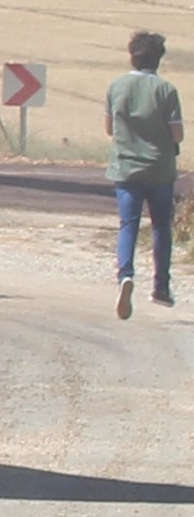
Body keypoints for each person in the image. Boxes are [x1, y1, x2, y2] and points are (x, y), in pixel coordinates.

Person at [108, 28, 182, 316]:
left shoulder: (116, 87)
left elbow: (108, 128)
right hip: (160, 169)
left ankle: (125, 274)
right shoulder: (166, 90)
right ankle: (161, 287)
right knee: (161, 226)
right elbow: (177, 135)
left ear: (131, 57)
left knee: (129, 225)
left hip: (126, 168)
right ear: (159, 59)